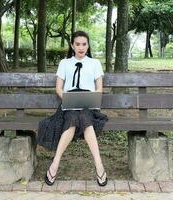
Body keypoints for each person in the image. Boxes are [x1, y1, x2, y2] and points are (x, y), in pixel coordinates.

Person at [37, 31, 108, 187]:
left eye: (84, 44)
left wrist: (91, 100)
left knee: (83, 117)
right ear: (72, 45)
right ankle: (97, 166)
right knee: (75, 118)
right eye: (77, 44)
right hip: (68, 102)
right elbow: (58, 88)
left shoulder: (95, 63)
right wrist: (69, 99)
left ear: (88, 46)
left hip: (88, 103)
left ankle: (58, 164)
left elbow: (99, 89)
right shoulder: (65, 63)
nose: (81, 47)